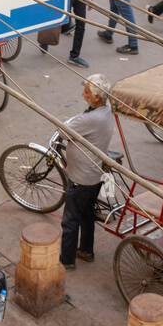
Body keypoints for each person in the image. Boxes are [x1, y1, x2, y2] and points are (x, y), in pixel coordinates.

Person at [60, 76, 115, 269]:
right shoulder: (106, 111)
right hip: (94, 174)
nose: (83, 95)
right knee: (86, 214)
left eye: (87, 93)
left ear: (97, 98)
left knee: (70, 220)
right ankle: (86, 250)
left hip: (81, 178)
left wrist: (73, 121)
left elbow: (63, 130)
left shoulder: (91, 119)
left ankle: (66, 261)